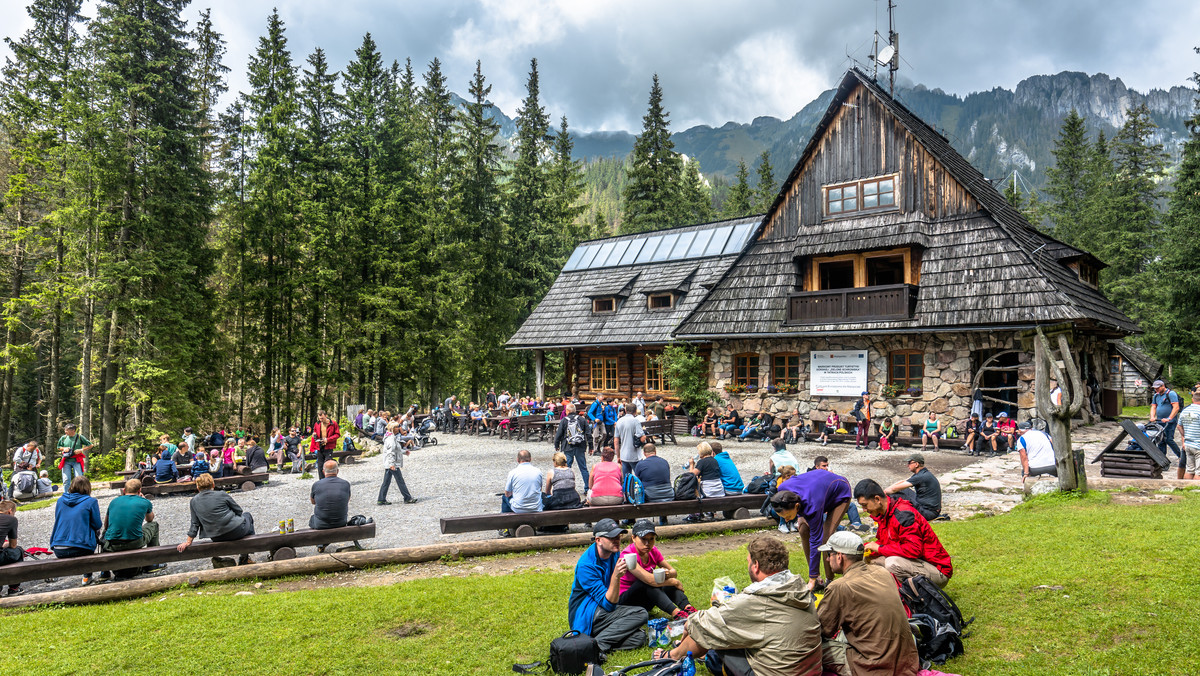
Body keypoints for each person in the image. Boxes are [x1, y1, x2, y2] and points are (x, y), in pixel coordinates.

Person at [652, 535, 823, 676]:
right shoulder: (799, 588)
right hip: (810, 669)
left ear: (755, 566)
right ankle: (698, 655)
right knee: (722, 631)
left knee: (713, 630)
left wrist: (691, 622)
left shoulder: (759, 600)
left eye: (748, 561)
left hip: (775, 671)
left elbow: (703, 624)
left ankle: (672, 657)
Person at [816, 531, 920, 676]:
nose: (827, 560)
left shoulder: (840, 586)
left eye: (829, 555)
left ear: (839, 556)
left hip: (873, 666)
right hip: (907, 662)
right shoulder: (882, 572)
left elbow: (821, 630)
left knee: (812, 648)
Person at [567, 519, 649, 654]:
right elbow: (609, 605)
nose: (616, 540)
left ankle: (593, 642)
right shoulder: (586, 566)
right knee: (640, 613)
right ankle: (596, 647)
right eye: (611, 537)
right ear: (598, 540)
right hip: (586, 614)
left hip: (601, 609)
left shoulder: (613, 552)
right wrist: (616, 576)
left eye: (618, 536)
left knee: (639, 638)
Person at [855, 478, 953, 588]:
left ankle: (908, 600)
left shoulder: (903, 514)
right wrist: (868, 549)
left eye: (865, 505)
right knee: (870, 561)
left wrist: (878, 548)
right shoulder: (884, 514)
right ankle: (884, 597)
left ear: (877, 499)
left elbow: (914, 550)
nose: (864, 510)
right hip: (916, 564)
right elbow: (886, 542)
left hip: (937, 570)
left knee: (893, 563)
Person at [776, 467, 852, 588]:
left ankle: (830, 580)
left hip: (839, 493)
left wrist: (810, 578)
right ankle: (817, 579)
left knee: (825, 538)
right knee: (803, 529)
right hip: (817, 490)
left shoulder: (812, 505)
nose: (786, 520)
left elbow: (815, 541)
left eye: (788, 516)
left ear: (796, 506)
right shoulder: (781, 492)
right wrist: (814, 577)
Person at [617, 521, 696, 619]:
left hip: (645, 600)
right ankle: (677, 614)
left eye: (651, 539)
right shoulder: (628, 555)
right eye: (643, 539)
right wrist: (673, 581)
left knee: (661, 582)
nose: (647, 543)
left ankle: (688, 608)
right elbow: (649, 580)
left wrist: (666, 574)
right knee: (646, 583)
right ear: (633, 538)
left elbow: (673, 572)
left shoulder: (653, 551)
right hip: (625, 603)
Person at [177, 473, 256, 567]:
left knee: (244, 519)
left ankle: (241, 557)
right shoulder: (222, 494)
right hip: (236, 530)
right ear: (213, 485)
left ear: (198, 487)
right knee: (247, 515)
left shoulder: (194, 501)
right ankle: (245, 556)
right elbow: (239, 510)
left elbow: (195, 523)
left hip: (216, 536)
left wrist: (188, 542)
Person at [101, 479, 165, 576]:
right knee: (154, 525)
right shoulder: (144, 502)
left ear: (124, 490)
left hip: (113, 544)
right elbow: (150, 520)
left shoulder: (114, 501)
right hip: (134, 541)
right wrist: (144, 500)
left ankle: (104, 572)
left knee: (105, 532)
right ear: (139, 491)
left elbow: (106, 525)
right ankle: (152, 563)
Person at [49, 476, 103, 586]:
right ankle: (87, 576)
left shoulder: (60, 501)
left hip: (59, 547)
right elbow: (97, 524)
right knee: (94, 533)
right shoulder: (91, 501)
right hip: (81, 548)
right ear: (88, 487)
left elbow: (59, 518)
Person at [884, 453, 943, 521]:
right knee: (902, 490)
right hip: (930, 509)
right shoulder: (923, 473)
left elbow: (894, 489)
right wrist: (886, 491)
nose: (907, 465)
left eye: (909, 463)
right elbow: (902, 482)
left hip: (929, 513)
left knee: (896, 495)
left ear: (916, 464)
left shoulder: (920, 476)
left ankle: (887, 516)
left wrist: (883, 493)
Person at [379, 421, 418, 505]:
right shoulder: (390, 438)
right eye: (397, 427)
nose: (399, 428)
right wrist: (392, 464)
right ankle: (407, 498)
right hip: (393, 464)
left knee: (386, 482)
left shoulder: (391, 436)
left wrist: (404, 451)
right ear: (393, 429)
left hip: (390, 463)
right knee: (400, 481)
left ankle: (381, 499)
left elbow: (396, 449)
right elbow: (390, 452)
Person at [1150, 379, 1184, 479]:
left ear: (1162, 386)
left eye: (1157, 388)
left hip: (1170, 422)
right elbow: (1153, 406)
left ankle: (1180, 456)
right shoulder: (1156, 395)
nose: (1156, 390)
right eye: (1155, 388)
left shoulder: (1171, 394)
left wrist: (1169, 418)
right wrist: (1152, 416)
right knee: (1161, 441)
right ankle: (1163, 462)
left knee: (1169, 439)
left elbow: (1176, 407)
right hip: (1160, 421)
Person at [554, 403, 592, 487]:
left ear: (567, 411)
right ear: (575, 410)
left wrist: (556, 445)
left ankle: (567, 486)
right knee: (583, 468)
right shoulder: (582, 420)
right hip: (580, 446)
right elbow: (588, 434)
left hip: (568, 447)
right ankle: (587, 487)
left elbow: (559, 434)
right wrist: (591, 447)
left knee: (566, 468)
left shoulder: (564, 420)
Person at [1015, 421, 1058, 493]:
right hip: (1053, 466)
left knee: (1024, 470)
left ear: (1020, 430)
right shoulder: (1044, 434)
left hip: (1036, 469)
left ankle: (1028, 491)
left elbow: (1024, 458)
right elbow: (1054, 445)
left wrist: (1026, 473)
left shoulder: (1021, 439)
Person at [502, 449, 543, 516]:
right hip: (535, 508)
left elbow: (507, 494)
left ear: (518, 460)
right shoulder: (538, 472)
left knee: (504, 497)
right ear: (530, 459)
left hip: (518, 508)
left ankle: (505, 522)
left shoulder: (513, 472)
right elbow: (539, 489)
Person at [311, 461, 351, 529]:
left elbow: (313, 502)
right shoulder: (346, 484)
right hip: (341, 523)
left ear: (323, 472)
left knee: (312, 518)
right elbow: (347, 500)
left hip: (321, 524)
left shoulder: (316, 485)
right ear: (337, 471)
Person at [55, 423, 94, 489]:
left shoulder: (79, 437)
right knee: (66, 479)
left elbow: (90, 445)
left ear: (73, 430)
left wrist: (81, 449)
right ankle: (67, 495)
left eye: (67, 430)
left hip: (77, 460)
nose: (65, 432)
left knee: (79, 479)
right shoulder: (63, 438)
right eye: (65, 430)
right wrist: (64, 449)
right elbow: (58, 447)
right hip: (66, 460)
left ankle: (79, 493)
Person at [0, 500, 23, 596]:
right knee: (18, 551)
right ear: (10, 511)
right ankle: (14, 587)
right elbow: (13, 545)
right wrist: (6, 544)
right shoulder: (11, 519)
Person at [1177, 390, 1200, 480]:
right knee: (1199, 472)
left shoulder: (1185, 411)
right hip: (1198, 445)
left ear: (1192, 399)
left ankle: (1186, 488)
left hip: (1188, 444)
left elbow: (1179, 426)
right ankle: (1196, 491)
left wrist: (1185, 435)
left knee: (1190, 470)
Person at [311, 410, 341, 479]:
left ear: (326, 416)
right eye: (319, 418)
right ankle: (321, 480)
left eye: (322, 418)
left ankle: (329, 479)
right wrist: (314, 435)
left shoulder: (333, 423)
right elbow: (315, 431)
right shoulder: (317, 424)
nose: (321, 420)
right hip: (320, 446)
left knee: (328, 465)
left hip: (329, 446)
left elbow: (337, 434)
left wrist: (328, 439)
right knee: (320, 465)